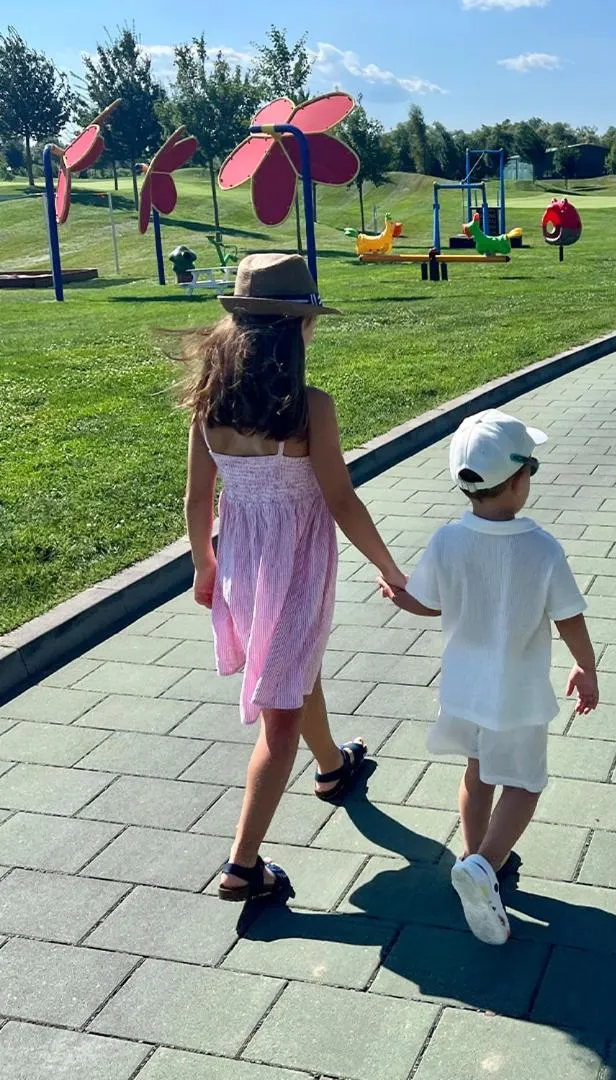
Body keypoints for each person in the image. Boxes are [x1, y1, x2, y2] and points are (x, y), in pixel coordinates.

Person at [180, 253, 405, 904]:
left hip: (241, 564)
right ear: (295, 330)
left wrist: (204, 564)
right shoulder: (311, 409)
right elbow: (341, 500)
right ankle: (243, 866)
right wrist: (389, 567)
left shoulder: (209, 407)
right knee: (279, 716)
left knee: (293, 664)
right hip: (298, 564)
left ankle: (333, 767)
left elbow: (197, 500)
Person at [380, 409, 598, 944]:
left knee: (478, 774)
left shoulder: (447, 540)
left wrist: (399, 595)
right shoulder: (541, 548)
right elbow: (568, 616)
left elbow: (428, 602)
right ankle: (484, 867)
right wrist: (586, 666)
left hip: (463, 689)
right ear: (520, 480)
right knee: (524, 785)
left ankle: (471, 855)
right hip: (516, 695)